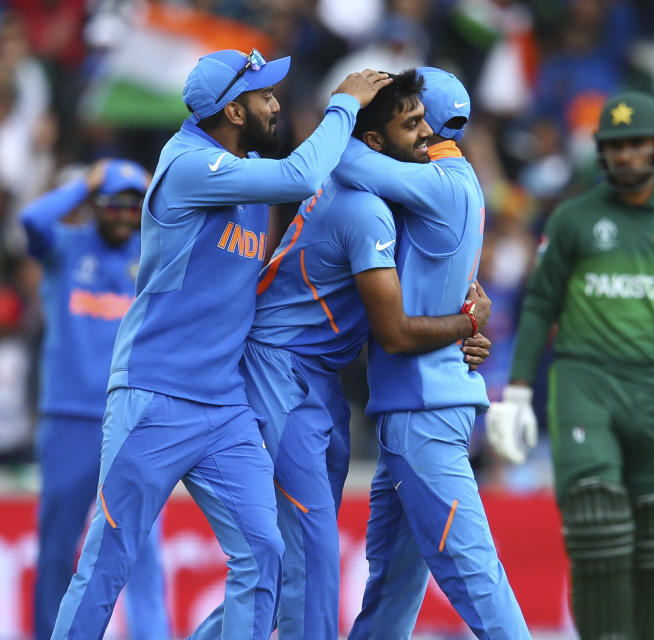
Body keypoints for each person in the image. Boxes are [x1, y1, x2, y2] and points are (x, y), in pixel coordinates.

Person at [51, 49, 390, 640]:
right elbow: (300, 177)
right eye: (265, 97)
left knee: (264, 557)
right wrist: (343, 104)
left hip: (225, 407)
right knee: (107, 566)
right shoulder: (185, 164)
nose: (276, 104)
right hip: (153, 398)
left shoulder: (248, 167)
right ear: (234, 109)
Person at [232, 68, 493, 640]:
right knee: (312, 559)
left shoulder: (385, 198)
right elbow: (396, 332)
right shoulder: (365, 207)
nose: (428, 136)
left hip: (317, 380)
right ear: (373, 142)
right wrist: (465, 322)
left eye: (428, 120)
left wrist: (463, 320)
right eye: (413, 123)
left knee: (292, 575)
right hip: (284, 372)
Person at [329, 67, 530, 639]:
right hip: (419, 407)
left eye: (416, 117)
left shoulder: (441, 182)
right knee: (391, 592)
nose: (414, 129)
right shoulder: (449, 181)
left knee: (475, 578)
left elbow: (339, 160)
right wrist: (469, 323)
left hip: (423, 413)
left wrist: (348, 104)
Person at [486, 90, 654, 639]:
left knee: (653, 529)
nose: (626, 156)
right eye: (616, 146)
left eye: (637, 144)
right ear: (601, 152)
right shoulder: (574, 217)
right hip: (585, 383)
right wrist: (519, 392)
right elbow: (539, 304)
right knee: (597, 522)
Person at [21, 159, 169, 640]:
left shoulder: (152, 252)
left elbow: (186, 228)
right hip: (70, 418)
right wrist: (85, 181)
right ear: (94, 205)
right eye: (113, 202)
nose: (124, 213)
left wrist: (157, 190)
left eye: (133, 204)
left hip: (133, 418)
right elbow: (32, 221)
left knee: (141, 546)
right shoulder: (65, 247)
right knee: (58, 546)